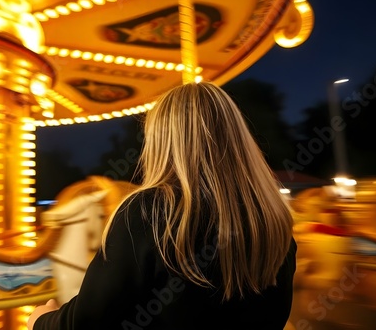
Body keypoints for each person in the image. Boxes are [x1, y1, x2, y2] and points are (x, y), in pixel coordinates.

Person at [28, 81, 297, 330]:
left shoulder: (148, 211)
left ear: (162, 142)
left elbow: (89, 322)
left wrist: (41, 321)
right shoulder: (273, 221)